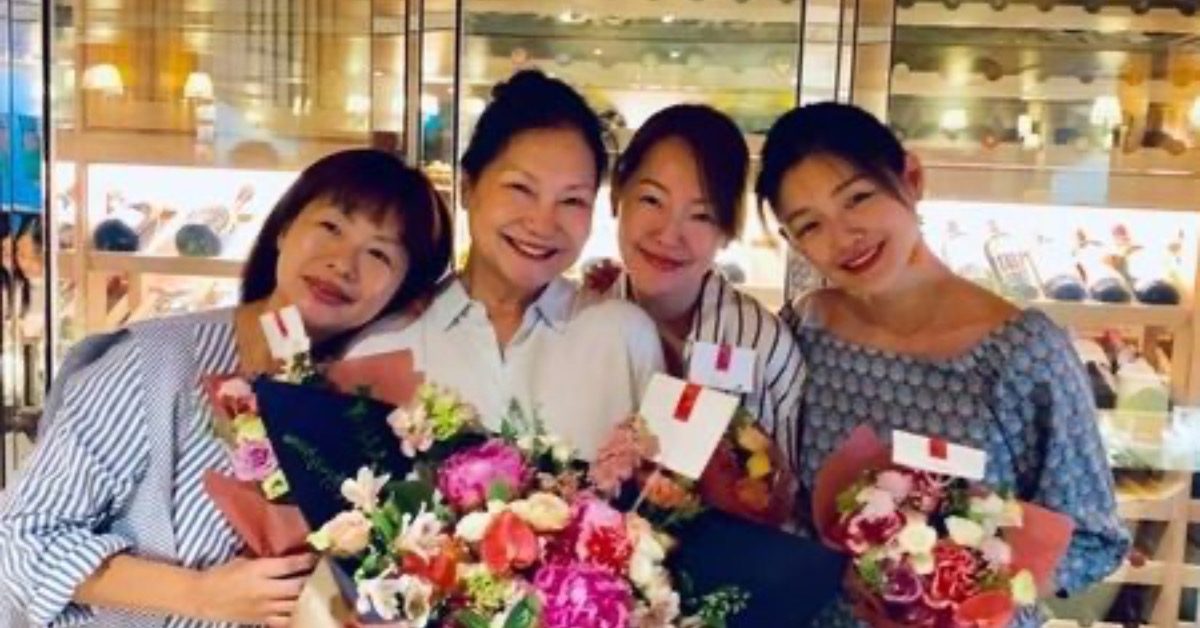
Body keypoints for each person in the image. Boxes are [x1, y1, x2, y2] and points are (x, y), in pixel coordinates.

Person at [0, 149, 453, 627]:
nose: (343, 263)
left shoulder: (377, 415)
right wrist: (199, 594)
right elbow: (21, 539)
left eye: (379, 253)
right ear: (284, 228)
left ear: (403, 291)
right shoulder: (153, 363)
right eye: (331, 226)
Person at [755, 102, 1129, 626]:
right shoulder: (804, 332)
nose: (843, 237)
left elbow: (1093, 540)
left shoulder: (1020, 353)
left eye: (858, 198)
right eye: (810, 225)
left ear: (911, 178)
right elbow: (780, 498)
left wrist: (950, 591)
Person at [349, 70, 663, 460]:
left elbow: (666, 489)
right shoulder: (385, 343)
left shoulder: (625, 338)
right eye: (520, 188)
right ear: (467, 187)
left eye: (572, 200)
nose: (542, 224)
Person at [586, 104, 803, 467]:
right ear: (617, 196)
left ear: (728, 230)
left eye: (701, 215)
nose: (669, 235)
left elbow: (788, 486)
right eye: (652, 200)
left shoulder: (763, 342)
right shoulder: (577, 325)